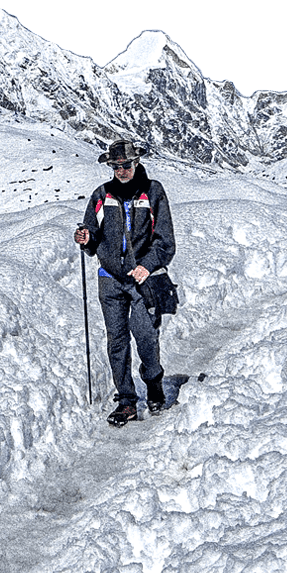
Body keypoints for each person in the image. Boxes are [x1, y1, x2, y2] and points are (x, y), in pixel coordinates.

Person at [74, 138, 176, 426]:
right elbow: (92, 234)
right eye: (116, 166)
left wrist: (147, 265)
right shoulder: (101, 195)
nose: (121, 170)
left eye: (126, 165)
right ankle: (127, 400)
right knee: (116, 341)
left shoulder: (153, 192)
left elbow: (165, 241)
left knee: (145, 335)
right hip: (110, 279)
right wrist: (86, 238)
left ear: (137, 162)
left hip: (142, 279)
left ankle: (154, 383)